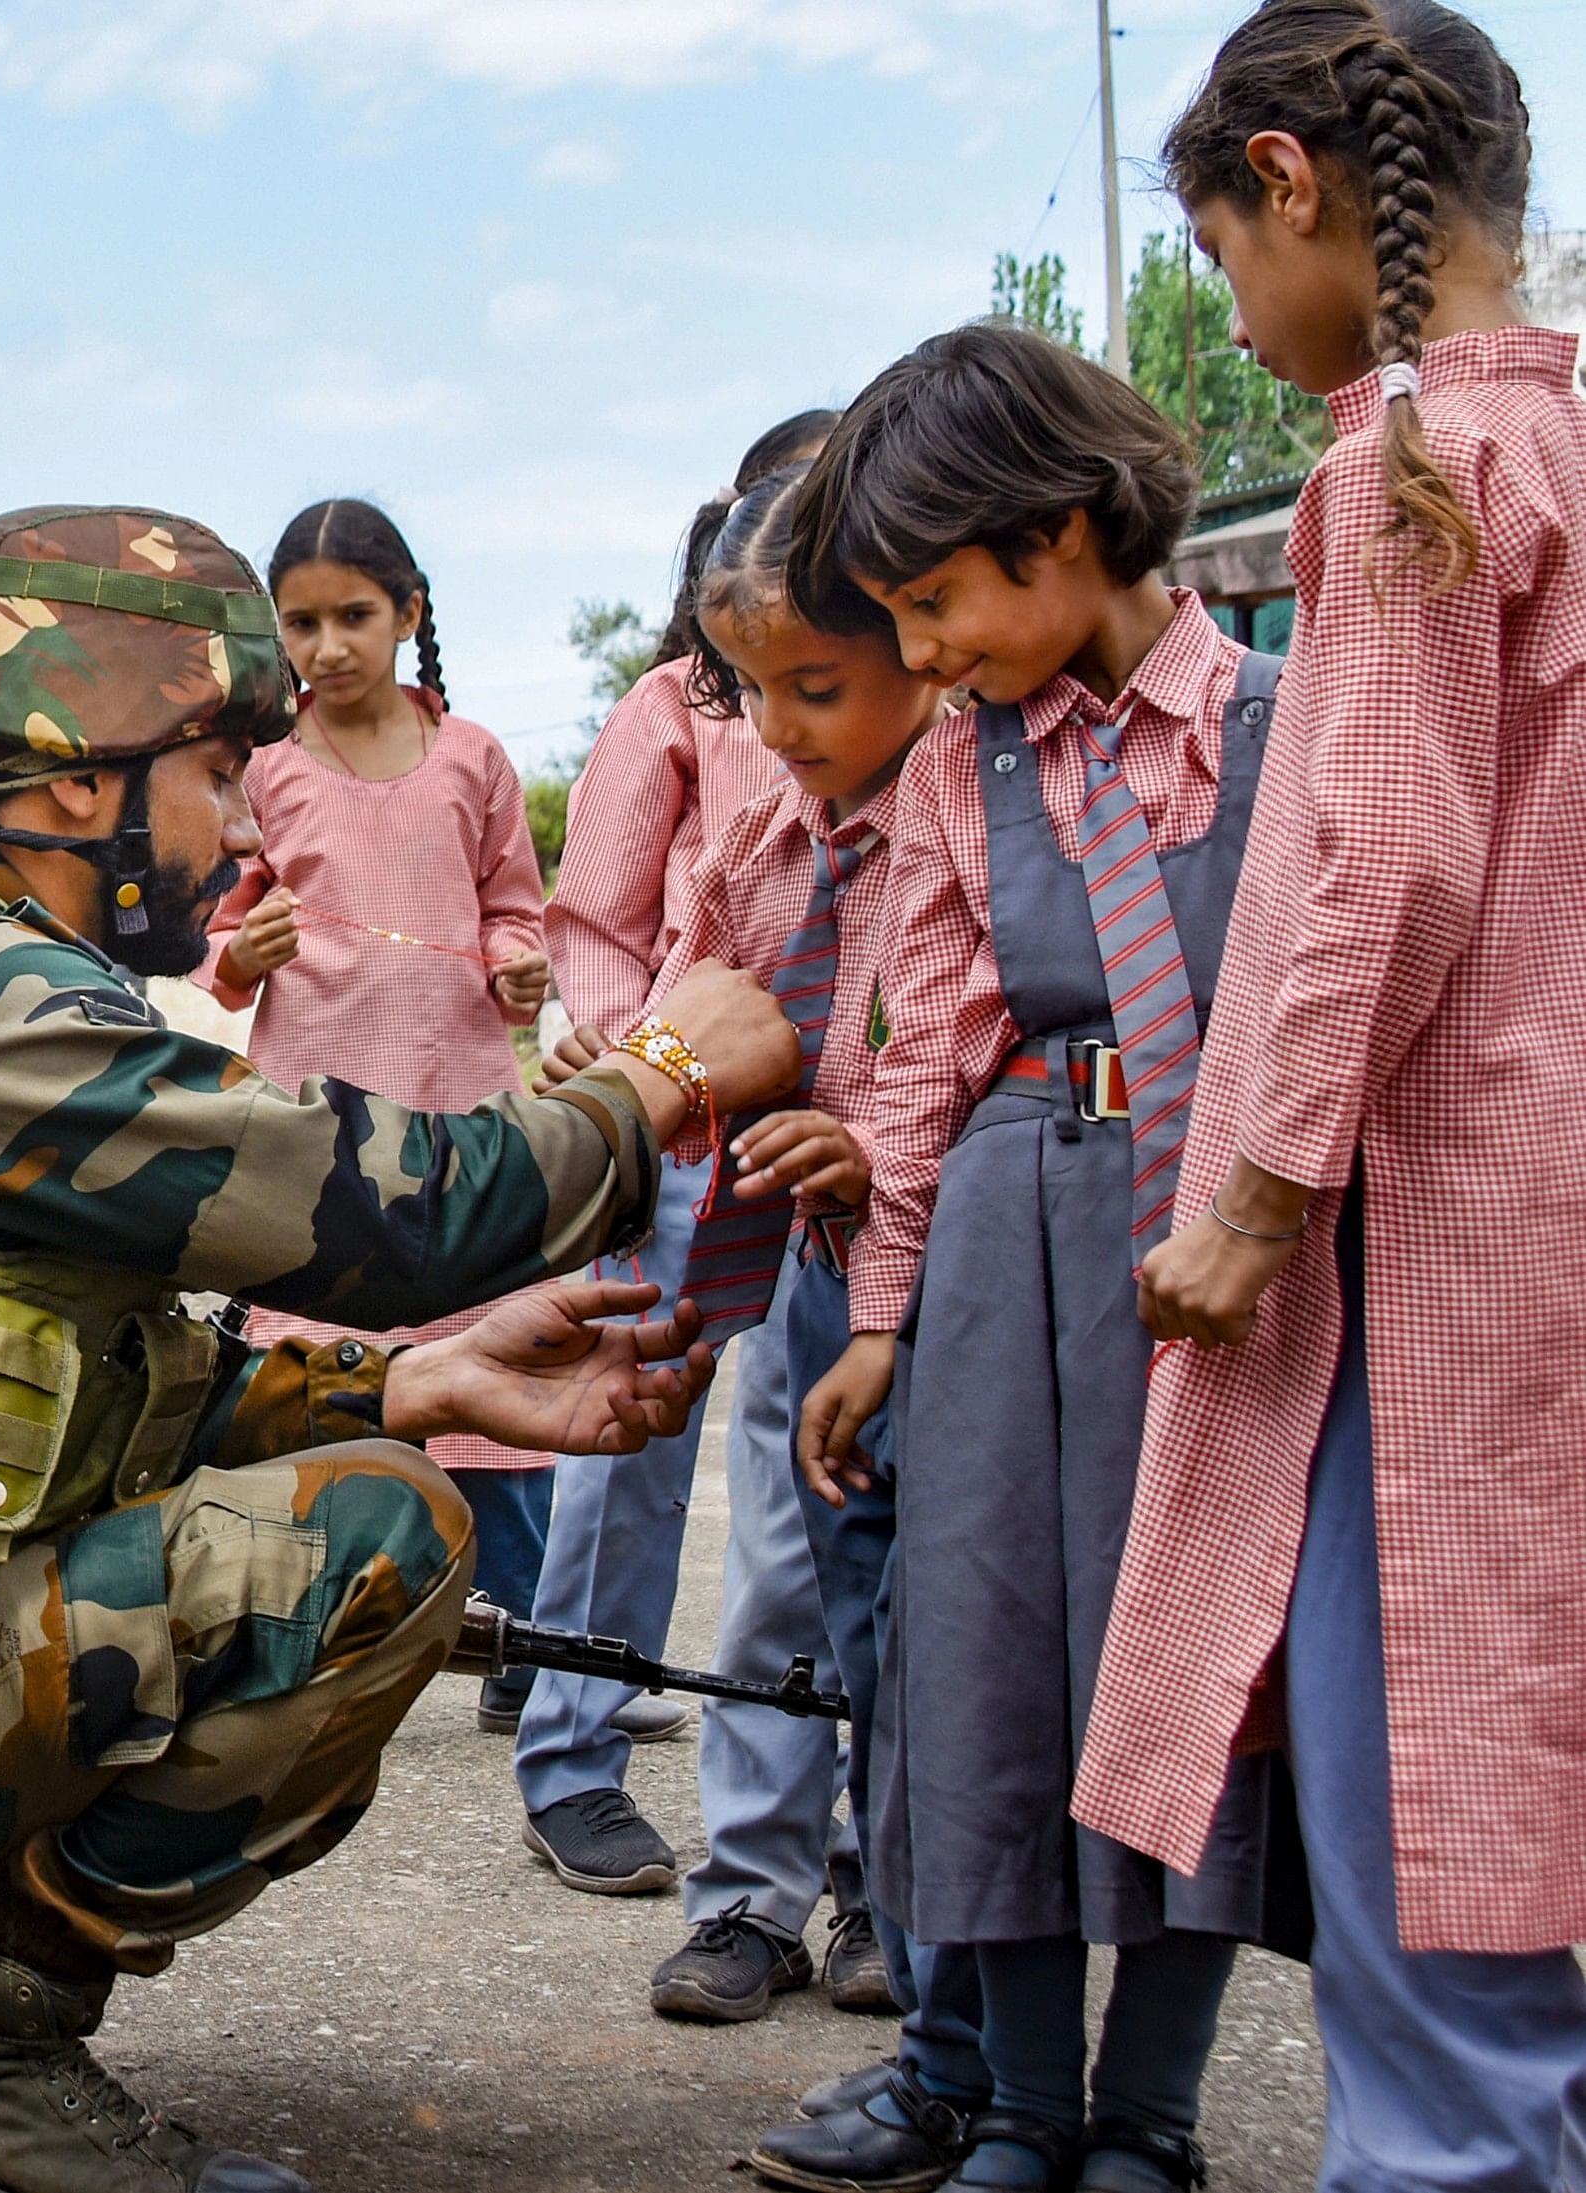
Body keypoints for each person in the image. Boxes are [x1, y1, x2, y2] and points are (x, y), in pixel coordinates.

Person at [0, 504, 801, 2193]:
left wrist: (405, 1381)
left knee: (314, 1471)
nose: (241, 834)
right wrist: (665, 1056)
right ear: (77, 781)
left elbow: (25, 1381)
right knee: (375, 1546)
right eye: (217, 772)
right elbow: (414, 1211)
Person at [1089, 7, 1586, 2186]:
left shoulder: (1401, 463)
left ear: (1286, 183)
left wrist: (1256, 1199)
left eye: (1212, 255)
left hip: (1432, 1245)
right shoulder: (1562, 450)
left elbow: (1379, 863)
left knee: (1434, 1862)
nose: (1227, 308)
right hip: (1547, 1219)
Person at [775, 322, 1295, 2193]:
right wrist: (881, 1317)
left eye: (929, 604)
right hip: (1007, 1223)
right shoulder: (954, 773)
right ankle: (1013, 2101)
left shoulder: (1269, 725)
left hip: (1207, 1242)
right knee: (979, 1666)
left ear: (1064, 526)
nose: (912, 658)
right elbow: (917, 1064)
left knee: (1179, 1666)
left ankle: (1145, 2114)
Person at [612, 467, 933, 2031]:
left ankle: (895, 1897)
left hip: (947, 1286)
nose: (779, 724)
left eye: (813, 686)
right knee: (775, 1585)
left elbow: (974, 1045)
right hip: (804, 1275)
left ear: (922, 649)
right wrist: (638, 1079)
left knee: (922, 1608)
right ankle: (746, 1893)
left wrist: (870, 1142)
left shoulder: (978, 829)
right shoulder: (763, 839)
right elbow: (694, 991)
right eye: (748, 693)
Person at [508, 414, 829, 1904]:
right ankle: (570, 1751)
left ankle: (815, 1808)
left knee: (809, 1464)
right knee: (629, 1432)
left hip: (840, 1150)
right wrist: (651, 1066)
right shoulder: (677, 702)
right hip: (695, 1126)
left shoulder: (914, 692)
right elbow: (595, 918)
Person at [195, 499, 573, 1726]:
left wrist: (521, 962)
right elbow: (206, 925)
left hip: (461, 1107)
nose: (326, 644)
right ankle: (301, 1633)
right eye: (298, 622)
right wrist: (241, 953)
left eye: (353, 615)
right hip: (314, 1129)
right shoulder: (261, 771)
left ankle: (525, 1655)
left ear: (409, 614)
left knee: (500, 1359)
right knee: (317, 1371)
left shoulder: (471, 759)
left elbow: (515, 907)